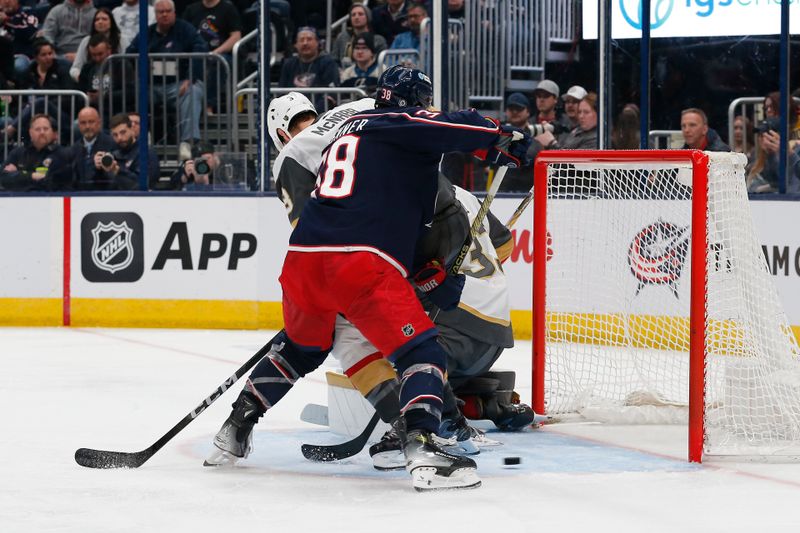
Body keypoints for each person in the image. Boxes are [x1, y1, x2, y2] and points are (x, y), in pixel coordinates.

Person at [206, 66, 532, 491]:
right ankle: (423, 444)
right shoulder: (396, 123)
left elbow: (383, 210)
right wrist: (499, 135)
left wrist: (422, 274)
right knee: (422, 352)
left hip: (304, 260)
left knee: (299, 352)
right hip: (360, 264)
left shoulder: (351, 134)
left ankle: (233, 430)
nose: (428, 111)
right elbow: (451, 124)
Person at [127, 0, 208, 161]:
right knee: (132, 92)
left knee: (194, 91)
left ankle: (187, 143)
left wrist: (190, 78)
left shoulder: (185, 29)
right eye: (160, 12)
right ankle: (141, 139)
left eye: (168, 11)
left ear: (174, 13)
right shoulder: (147, 33)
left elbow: (201, 48)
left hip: (178, 85)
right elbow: (129, 53)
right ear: (155, 14)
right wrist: (141, 71)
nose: (164, 14)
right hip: (151, 86)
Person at [5, 39, 77, 144]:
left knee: (42, 102)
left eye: (50, 53)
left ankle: (11, 129)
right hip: (32, 115)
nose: (48, 57)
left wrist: (45, 105)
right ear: (36, 58)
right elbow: (21, 100)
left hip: (60, 115)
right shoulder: (28, 73)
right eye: (43, 55)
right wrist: (29, 107)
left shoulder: (62, 70)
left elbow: (69, 98)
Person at [182, 0, 242, 113]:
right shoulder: (191, 9)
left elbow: (236, 36)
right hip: (196, 54)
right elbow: (184, 33)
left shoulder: (228, 9)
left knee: (218, 62)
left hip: (221, 54)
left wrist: (216, 52)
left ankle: (209, 105)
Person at [0, 113, 70, 191]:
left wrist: (19, 174)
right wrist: (32, 175)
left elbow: (52, 182)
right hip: (18, 201)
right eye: (37, 129)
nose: (42, 132)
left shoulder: (63, 154)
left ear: (53, 133)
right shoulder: (18, 153)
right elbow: (3, 178)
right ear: (30, 133)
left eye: (46, 129)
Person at [94, 112, 160, 190]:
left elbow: (144, 185)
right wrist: (97, 168)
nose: (119, 138)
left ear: (132, 129)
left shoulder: (147, 153)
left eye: (123, 132)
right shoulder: (112, 154)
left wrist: (118, 171)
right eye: (115, 135)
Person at [278, 26, 339, 111]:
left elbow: (331, 94)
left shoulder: (328, 63)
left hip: (320, 114)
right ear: (295, 44)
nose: (305, 43)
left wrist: (312, 114)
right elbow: (281, 92)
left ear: (318, 42)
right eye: (302, 40)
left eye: (309, 39)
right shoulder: (289, 64)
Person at [77, 34, 135, 112]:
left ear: (109, 50)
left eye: (100, 54)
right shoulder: (87, 68)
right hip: (93, 111)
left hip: (117, 110)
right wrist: (87, 96)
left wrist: (104, 96)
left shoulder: (122, 65)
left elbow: (129, 93)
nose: (97, 58)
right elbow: (80, 92)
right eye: (93, 55)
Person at [69, 8, 128, 82]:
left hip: (116, 80)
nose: (100, 22)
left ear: (111, 22)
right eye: (97, 19)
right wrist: (81, 78)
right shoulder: (86, 41)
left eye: (104, 19)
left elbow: (128, 63)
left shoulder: (122, 39)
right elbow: (75, 68)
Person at [68, 106, 117, 190]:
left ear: (99, 123)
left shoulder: (112, 144)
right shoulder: (73, 149)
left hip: (106, 194)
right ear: (78, 125)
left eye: (91, 122)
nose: (87, 126)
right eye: (83, 123)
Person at [330, 3, 387, 68]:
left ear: (368, 17)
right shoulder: (342, 37)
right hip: (344, 74)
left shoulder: (378, 40)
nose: (356, 17)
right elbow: (334, 60)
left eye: (360, 14)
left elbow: (383, 62)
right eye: (353, 15)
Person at [0, 0, 40, 80]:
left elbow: (30, 33)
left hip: (20, 55)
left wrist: (7, 20)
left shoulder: (28, 12)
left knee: (19, 67)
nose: (7, 1)